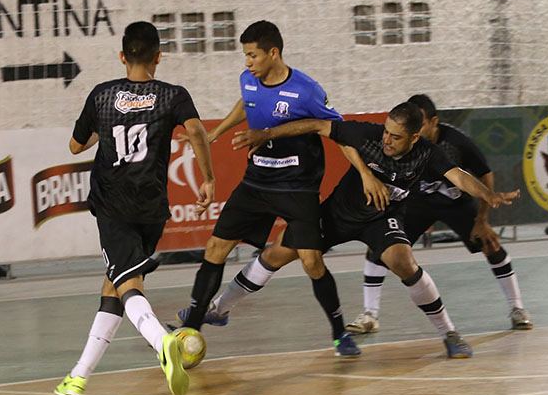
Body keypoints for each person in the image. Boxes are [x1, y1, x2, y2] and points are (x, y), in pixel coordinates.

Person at [205, 102, 519, 358]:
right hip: (338, 214)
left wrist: (487, 195)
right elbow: (317, 125)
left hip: (381, 219)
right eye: (386, 132)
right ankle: (218, 309)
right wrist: (268, 133)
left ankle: (449, 332)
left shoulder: (428, 153)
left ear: (413, 138)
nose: (387, 140)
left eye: (396, 137)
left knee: (403, 261)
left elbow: (459, 176)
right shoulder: (367, 135)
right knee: (277, 252)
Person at [177, 20, 367, 357]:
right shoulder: (248, 79)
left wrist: (365, 174)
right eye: (245, 55)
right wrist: (216, 132)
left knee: (312, 263)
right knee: (216, 248)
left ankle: (340, 335)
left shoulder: (307, 90)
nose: (247, 62)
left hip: (298, 187)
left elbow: (339, 132)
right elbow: (246, 102)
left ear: (273, 52)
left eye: (252, 55)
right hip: (257, 181)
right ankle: (192, 325)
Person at [54, 21, 215, 395]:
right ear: (159, 57)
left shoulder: (102, 95)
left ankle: (163, 343)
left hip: (114, 203)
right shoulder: (172, 95)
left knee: (127, 283)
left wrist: (102, 132)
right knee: (116, 283)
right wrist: (208, 178)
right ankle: (79, 375)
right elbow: (196, 132)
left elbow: (76, 146)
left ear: (122, 56)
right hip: (152, 205)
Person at [346, 94, 532, 335]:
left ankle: (517, 308)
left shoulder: (456, 143)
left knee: (490, 243)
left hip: (456, 204)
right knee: (378, 247)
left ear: (434, 122)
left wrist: (482, 219)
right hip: (418, 204)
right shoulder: (405, 144)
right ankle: (370, 314)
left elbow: (485, 173)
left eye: (420, 124)